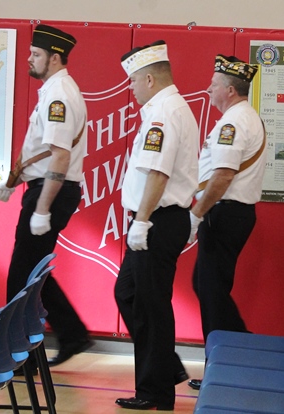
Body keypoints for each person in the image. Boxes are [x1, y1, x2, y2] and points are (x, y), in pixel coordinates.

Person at [0, 24, 92, 368]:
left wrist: (42, 208)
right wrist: (12, 180)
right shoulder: (54, 90)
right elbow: (40, 148)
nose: (29, 60)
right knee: (32, 273)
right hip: (46, 189)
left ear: (54, 57)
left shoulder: (59, 94)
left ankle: (21, 357)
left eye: (35, 55)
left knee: (22, 277)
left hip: (51, 192)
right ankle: (72, 333)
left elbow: (60, 155)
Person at [114, 40, 199, 410]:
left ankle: (155, 392)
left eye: (133, 82)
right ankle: (165, 367)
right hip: (157, 219)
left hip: (156, 221)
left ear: (148, 78)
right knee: (128, 295)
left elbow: (158, 174)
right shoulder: (167, 108)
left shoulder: (163, 113)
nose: (131, 89)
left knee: (150, 305)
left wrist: (142, 221)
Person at [187, 55, 265, 391]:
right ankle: (240, 349)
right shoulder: (240, 117)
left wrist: (196, 214)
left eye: (214, 84)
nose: (208, 89)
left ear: (230, 90)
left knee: (212, 292)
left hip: (224, 213)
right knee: (207, 287)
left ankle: (222, 365)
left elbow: (222, 176)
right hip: (228, 213)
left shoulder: (234, 123)